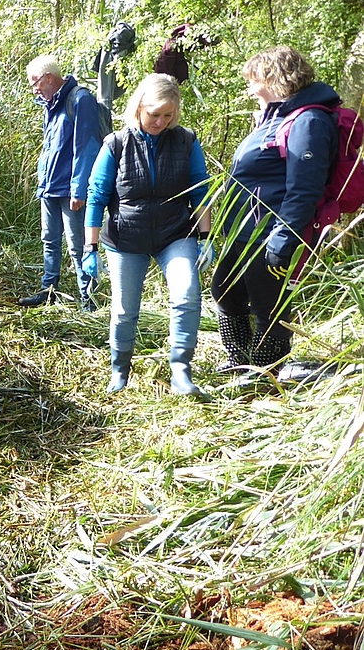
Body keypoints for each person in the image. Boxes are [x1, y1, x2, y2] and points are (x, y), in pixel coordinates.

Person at [211, 46, 339, 372]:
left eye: (254, 80)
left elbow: (304, 188)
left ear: (275, 78)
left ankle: (267, 375)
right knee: (225, 290)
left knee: (269, 308)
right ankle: (240, 363)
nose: (250, 88)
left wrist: (284, 239)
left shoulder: (309, 121)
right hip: (246, 230)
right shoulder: (278, 117)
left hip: (270, 233)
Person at [84, 73, 212, 395]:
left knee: (186, 295)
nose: (160, 122)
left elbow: (201, 190)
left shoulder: (185, 141)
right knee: (125, 309)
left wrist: (206, 237)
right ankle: (119, 370)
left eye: (168, 115)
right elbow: (97, 194)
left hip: (175, 233)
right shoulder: (115, 144)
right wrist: (90, 248)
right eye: (154, 114)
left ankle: (181, 372)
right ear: (139, 107)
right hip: (126, 237)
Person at [20, 55, 102, 310]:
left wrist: (79, 189)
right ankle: (49, 291)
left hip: (69, 190)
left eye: (36, 83)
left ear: (49, 78)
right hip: (50, 186)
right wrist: (42, 182)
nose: (34, 89)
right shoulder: (50, 104)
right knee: (50, 241)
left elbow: (86, 147)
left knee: (78, 246)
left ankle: (89, 300)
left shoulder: (80, 99)